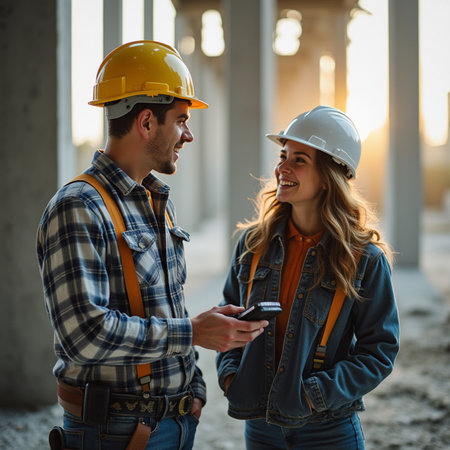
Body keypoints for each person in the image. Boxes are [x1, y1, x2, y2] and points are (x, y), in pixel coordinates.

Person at [37, 40, 267, 450]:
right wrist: (193, 332)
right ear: (146, 122)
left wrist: (193, 386)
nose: (189, 134)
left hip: (173, 424)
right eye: (181, 120)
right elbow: (84, 335)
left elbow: (166, 306)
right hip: (114, 432)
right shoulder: (78, 208)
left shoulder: (158, 203)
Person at [216, 105, 400, 449]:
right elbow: (228, 317)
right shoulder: (253, 244)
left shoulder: (364, 260)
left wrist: (314, 395)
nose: (281, 168)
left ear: (329, 177)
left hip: (329, 430)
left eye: (299, 159)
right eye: (283, 155)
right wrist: (231, 376)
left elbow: (380, 351)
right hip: (260, 428)